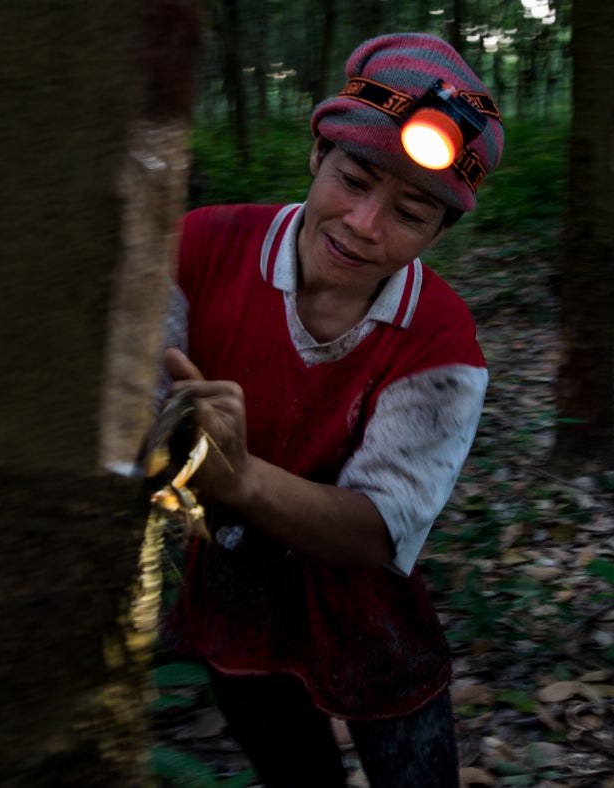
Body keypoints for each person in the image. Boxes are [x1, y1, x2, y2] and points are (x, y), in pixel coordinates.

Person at [157, 32, 502, 788]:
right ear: (318, 156)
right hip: (234, 587)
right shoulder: (202, 248)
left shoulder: (441, 342)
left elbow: (378, 529)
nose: (364, 224)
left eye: (411, 213)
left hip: (369, 611)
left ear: (440, 233)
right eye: (354, 178)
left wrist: (240, 478)